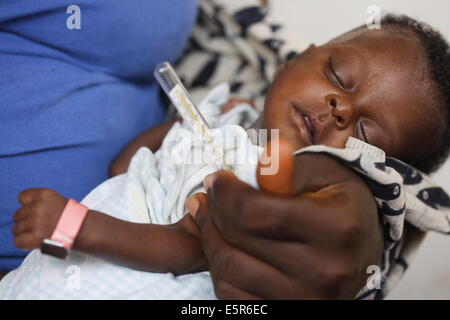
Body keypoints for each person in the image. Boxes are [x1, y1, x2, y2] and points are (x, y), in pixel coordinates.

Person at [0, 0, 198, 275]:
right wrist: (184, 126)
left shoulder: (245, 180)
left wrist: (75, 226)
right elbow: (124, 169)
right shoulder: (235, 132)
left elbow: (195, 250)